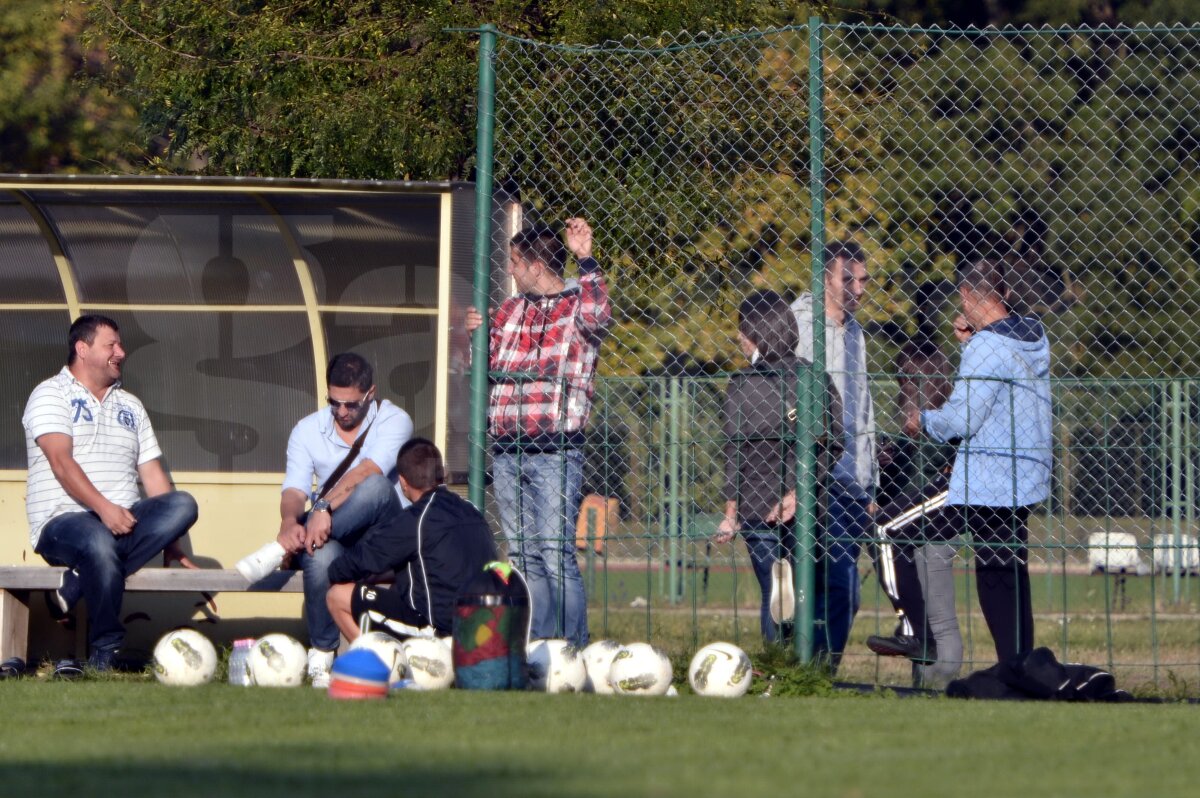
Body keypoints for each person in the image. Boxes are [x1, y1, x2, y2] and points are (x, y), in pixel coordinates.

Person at [872, 260, 1052, 663]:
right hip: (1023, 476)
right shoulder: (1032, 335)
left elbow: (963, 418)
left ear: (968, 296)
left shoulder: (987, 347)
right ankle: (1017, 665)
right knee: (1002, 573)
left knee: (888, 528)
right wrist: (972, 343)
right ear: (1002, 293)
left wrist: (925, 420)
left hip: (983, 480)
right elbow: (998, 386)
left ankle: (916, 633)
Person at [23, 314, 199, 673]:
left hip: (121, 519)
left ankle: (73, 586)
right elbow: (61, 463)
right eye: (112, 345)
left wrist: (172, 545)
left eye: (120, 345)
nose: (121, 352)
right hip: (60, 521)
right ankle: (106, 649)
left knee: (182, 504)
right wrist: (104, 509)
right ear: (82, 349)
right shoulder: (49, 393)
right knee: (97, 541)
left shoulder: (131, 405)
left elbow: (151, 474)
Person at [465, 217, 611, 647]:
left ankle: (574, 647)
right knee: (524, 554)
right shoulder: (511, 311)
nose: (509, 270)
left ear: (533, 264)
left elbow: (599, 314)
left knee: (554, 553)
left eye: (514, 262)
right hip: (508, 447)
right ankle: (539, 645)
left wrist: (586, 259)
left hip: (555, 448)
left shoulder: (577, 306)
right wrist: (476, 335)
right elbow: (483, 366)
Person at [276, 352, 413, 686]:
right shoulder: (307, 429)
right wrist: (289, 523)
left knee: (376, 486)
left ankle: (313, 535)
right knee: (320, 553)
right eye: (333, 402)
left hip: (384, 537)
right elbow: (294, 489)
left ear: (370, 394)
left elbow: (369, 471)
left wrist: (322, 509)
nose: (341, 412)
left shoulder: (395, 420)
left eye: (351, 405)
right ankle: (322, 656)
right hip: (337, 539)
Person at [715, 291, 843, 644]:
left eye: (742, 330)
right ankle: (807, 662)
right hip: (807, 502)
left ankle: (777, 664)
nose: (739, 338)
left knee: (773, 590)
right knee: (804, 590)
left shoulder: (742, 384)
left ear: (753, 334)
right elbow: (833, 442)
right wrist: (799, 491)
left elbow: (734, 454)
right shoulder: (816, 379)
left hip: (757, 504)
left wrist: (731, 512)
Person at [791, 241, 877, 670]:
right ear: (825, 277)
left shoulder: (856, 332)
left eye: (863, 280)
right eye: (849, 279)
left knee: (846, 590)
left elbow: (862, 409)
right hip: (809, 476)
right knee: (811, 584)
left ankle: (821, 672)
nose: (858, 289)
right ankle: (802, 669)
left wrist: (869, 479)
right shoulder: (799, 326)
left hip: (849, 480)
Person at [326, 438, 499, 641]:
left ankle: (375, 666)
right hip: (484, 627)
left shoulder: (417, 518)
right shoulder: (471, 511)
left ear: (403, 481)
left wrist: (334, 572)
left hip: (440, 630)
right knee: (400, 582)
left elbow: (359, 561)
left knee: (337, 596)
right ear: (441, 475)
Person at [869, 338, 965, 687]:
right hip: (912, 522)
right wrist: (888, 462)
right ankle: (921, 677)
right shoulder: (908, 421)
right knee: (921, 602)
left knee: (937, 615)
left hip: (941, 520)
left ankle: (933, 666)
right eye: (903, 380)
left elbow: (946, 467)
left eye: (911, 380)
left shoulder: (948, 414)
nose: (905, 387)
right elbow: (904, 480)